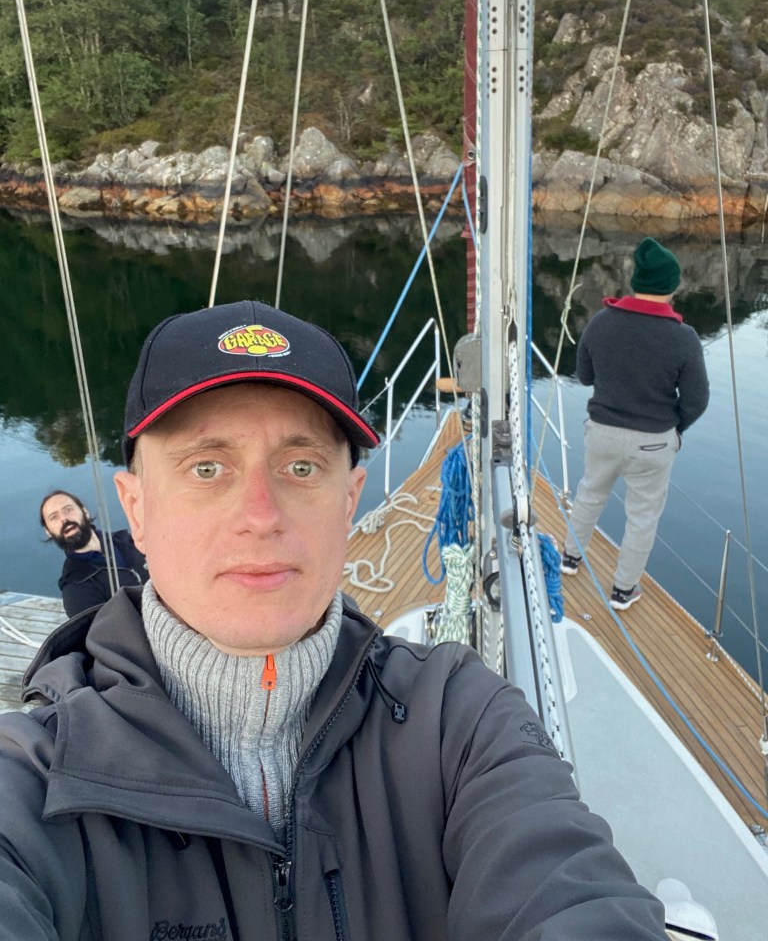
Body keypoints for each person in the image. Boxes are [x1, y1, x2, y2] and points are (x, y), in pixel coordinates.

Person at [0, 299, 669, 940]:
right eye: (207, 467)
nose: (260, 514)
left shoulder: (459, 721)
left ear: (349, 502)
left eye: (301, 466)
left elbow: (568, 889)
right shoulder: (34, 782)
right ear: (136, 509)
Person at [562, 237, 709, 610]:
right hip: (654, 442)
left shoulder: (601, 322)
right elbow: (697, 400)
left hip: (603, 432)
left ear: (636, 281)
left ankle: (570, 558)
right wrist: (675, 430)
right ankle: (623, 591)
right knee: (642, 517)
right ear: (671, 285)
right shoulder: (684, 338)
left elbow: (584, 376)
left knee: (590, 493)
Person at [39, 489, 148, 617]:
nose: (64, 518)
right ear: (48, 531)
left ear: (85, 512)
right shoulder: (76, 590)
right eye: (54, 517)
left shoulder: (127, 540)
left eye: (68, 509)